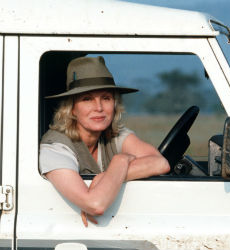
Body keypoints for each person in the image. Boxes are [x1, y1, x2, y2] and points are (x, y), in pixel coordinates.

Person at [39, 56, 170, 227]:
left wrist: (104, 177)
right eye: (87, 99)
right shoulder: (55, 148)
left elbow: (161, 163)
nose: (99, 107)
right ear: (71, 108)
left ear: (115, 104)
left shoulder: (113, 135)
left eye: (106, 98)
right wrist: (121, 160)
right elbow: (95, 205)